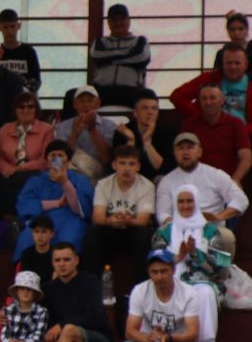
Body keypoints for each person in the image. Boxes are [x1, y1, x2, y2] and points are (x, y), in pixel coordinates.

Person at [172, 45, 252, 198]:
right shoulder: (209, 79)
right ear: (222, 64)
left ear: (246, 64)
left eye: (237, 63)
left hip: (244, 130)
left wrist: (242, 131)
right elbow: (177, 96)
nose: (232, 67)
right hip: (211, 127)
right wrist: (203, 113)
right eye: (228, 63)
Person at [150, 187, 229, 342]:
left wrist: (195, 254)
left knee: (205, 293)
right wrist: (176, 258)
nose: (185, 205)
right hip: (170, 280)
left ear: (197, 202)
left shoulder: (211, 231)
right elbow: (154, 262)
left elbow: (223, 266)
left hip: (203, 281)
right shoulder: (163, 231)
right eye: (181, 201)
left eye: (189, 201)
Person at [83, 144, 155, 292]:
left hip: (133, 230)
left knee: (144, 235)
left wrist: (128, 221)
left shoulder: (147, 185)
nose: (127, 168)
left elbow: (143, 220)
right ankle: (91, 290)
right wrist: (110, 220)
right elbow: (97, 217)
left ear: (138, 166)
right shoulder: (103, 184)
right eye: (122, 163)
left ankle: (142, 291)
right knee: (93, 234)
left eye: (131, 164)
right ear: (114, 165)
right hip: (110, 229)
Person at [154, 131, 249, 237]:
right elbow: (162, 213)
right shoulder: (167, 181)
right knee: (159, 235)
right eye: (181, 148)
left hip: (211, 229)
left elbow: (241, 200)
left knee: (227, 237)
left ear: (200, 151)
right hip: (178, 229)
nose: (185, 152)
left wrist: (219, 216)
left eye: (190, 147)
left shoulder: (216, 175)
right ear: (175, 153)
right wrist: (178, 226)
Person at [11, 140, 93, 261]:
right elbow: (25, 205)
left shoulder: (80, 180)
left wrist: (65, 182)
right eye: (52, 155)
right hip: (41, 219)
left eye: (60, 155)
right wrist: (57, 203)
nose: (56, 159)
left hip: (71, 219)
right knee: (28, 237)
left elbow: (83, 209)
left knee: (71, 237)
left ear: (68, 161)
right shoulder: (35, 181)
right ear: (46, 161)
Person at [176, 80, 252, 184]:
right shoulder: (189, 125)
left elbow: (246, 157)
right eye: (204, 99)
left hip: (227, 182)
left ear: (222, 100)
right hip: (196, 182)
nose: (208, 102)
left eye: (212, 98)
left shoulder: (236, 124)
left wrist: (236, 179)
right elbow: (181, 154)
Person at [0, 91, 53, 217]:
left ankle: (21, 218)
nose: (26, 110)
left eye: (30, 106)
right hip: (8, 175)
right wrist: (5, 168)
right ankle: (10, 222)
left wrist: (19, 168)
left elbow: (46, 159)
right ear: (15, 110)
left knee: (27, 181)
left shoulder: (47, 130)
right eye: (21, 106)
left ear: (36, 110)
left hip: (35, 172)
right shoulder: (5, 129)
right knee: (2, 184)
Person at [52, 84, 120, 181]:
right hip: (69, 177)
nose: (86, 105)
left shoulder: (109, 126)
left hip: (100, 179)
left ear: (98, 103)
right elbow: (58, 160)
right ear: (75, 104)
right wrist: (74, 134)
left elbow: (107, 160)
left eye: (90, 101)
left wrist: (92, 130)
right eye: (82, 101)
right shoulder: (62, 126)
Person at [90, 2, 151, 105]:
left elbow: (141, 58)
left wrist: (109, 59)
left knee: (150, 98)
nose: (118, 23)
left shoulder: (140, 40)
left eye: (122, 19)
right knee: (72, 95)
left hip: (132, 90)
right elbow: (96, 55)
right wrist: (128, 53)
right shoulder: (100, 41)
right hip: (102, 90)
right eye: (114, 20)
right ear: (108, 22)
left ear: (129, 21)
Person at [112, 90, 172, 181]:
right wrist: (130, 141)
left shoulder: (166, 133)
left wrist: (147, 143)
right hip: (129, 178)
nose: (150, 112)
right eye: (145, 108)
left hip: (155, 179)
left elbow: (161, 168)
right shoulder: (123, 132)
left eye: (154, 108)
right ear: (135, 112)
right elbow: (120, 167)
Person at [0, 8, 41, 93]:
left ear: (18, 26)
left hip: (23, 101)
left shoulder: (28, 51)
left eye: (12, 26)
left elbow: (36, 81)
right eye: (5, 27)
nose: (9, 31)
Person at [14, 214, 57, 285]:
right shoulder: (26, 254)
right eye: (36, 231)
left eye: (44, 232)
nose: (39, 236)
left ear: (52, 234)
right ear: (32, 233)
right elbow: (25, 280)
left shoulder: (57, 253)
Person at [223, 10, 252, 80]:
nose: (236, 33)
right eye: (232, 29)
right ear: (228, 31)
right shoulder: (222, 53)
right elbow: (217, 75)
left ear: (247, 30)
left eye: (240, 29)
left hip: (251, 86)